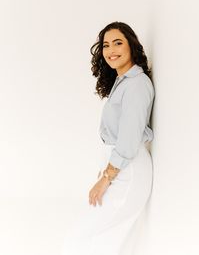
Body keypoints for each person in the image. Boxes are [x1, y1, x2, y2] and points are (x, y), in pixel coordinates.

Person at [61, 21, 155, 255]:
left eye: (118, 43)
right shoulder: (123, 82)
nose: (110, 50)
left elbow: (129, 139)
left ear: (132, 46)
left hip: (128, 171)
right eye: (105, 45)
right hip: (119, 168)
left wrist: (106, 178)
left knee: (80, 236)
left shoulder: (136, 85)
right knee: (105, 243)